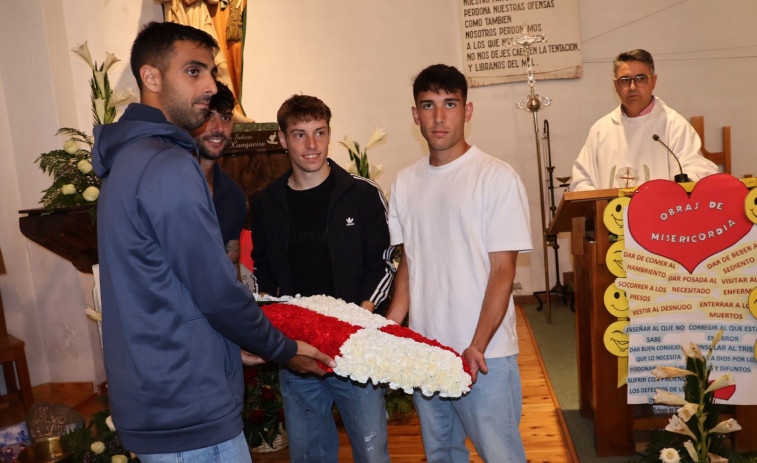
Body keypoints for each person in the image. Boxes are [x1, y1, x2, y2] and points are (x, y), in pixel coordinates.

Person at [91, 21, 333, 463]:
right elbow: (215, 288)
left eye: (212, 72)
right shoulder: (166, 164)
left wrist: (222, 343)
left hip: (160, 394)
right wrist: (283, 348)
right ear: (151, 77)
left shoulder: (127, 160)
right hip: (188, 408)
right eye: (194, 72)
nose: (210, 86)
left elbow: (165, 288)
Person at [386, 64, 532, 463]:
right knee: (442, 455)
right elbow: (410, 264)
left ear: (467, 111)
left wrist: (477, 346)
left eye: (450, 104)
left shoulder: (495, 177)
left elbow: (503, 272)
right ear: (415, 114)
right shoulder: (405, 182)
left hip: (484, 356)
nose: (438, 117)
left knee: (501, 456)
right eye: (428, 106)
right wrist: (391, 327)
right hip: (427, 351)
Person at [250, 94, 394, 463]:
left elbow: (384, 262)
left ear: (330, 134)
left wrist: (360, 319)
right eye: (299, 135)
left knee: (371, 452)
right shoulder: (267, 203)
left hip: (355, 346)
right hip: (297, 352)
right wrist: (279, 334)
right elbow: (263, 272)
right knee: (309, 454)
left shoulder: (361, 194)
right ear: (282, 139)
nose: (311, 145)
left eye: (320, 132)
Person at [570, 49, 718, 191]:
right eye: (625, 80)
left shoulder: (674, 125)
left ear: (653, 81)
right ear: (616, 85)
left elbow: (697, 168)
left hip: (660, 214)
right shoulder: (601, 130)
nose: (632, 86)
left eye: (640, 79)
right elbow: (581, 180)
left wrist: (682, 183)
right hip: (611, 215)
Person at [192, 81, 246, 264]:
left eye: (226, 117)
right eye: (208, 116)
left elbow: (230, 270)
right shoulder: (166, 183)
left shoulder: (234, 196)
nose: (219, 128)